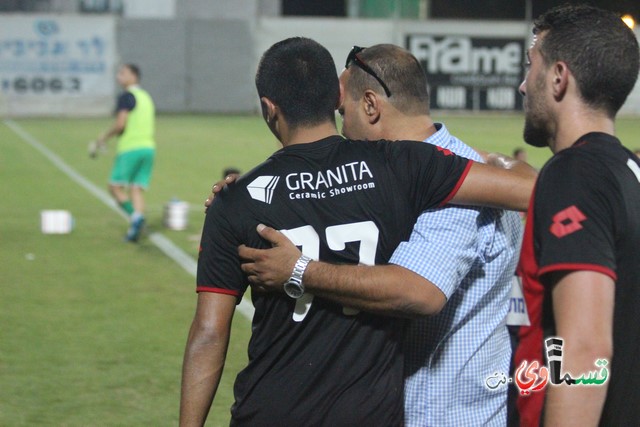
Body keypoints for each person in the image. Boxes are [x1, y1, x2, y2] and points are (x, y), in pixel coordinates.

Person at [180, 37, 533, 426]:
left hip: (279, 409)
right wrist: (497, 162)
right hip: (372, 413)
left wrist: (297, 266)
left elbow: (209, 335)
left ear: (268, 109)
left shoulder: (238, 200)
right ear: (332, 97)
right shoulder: (400, 168)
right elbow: (531, 190)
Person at [512, 5, 640, 426]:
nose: (521, 86)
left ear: (558, 77)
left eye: (531, 67)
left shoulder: (574, 174)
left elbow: (583, 349)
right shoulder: (628, 172)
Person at [92, 63, 156, 242]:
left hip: (131, 148)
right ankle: (137, 226)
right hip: (149, 148)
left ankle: (136, 219)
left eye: (123, 73)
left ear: (133, 76)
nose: (119, 77)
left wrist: (104, 137)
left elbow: (121, 124)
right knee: (136, 189)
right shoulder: (146, 96)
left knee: (114, 186)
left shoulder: (127, 97)